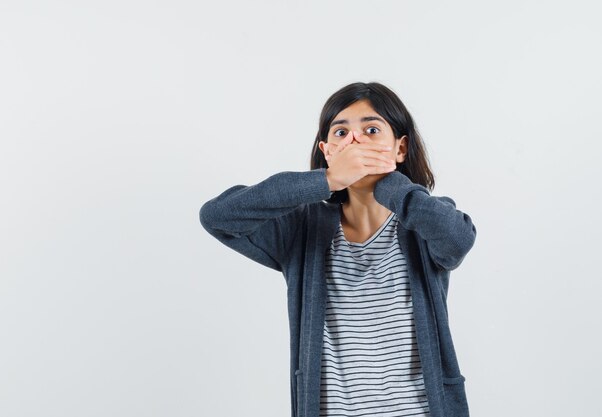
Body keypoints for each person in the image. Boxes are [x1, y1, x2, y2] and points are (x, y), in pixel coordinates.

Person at [199, 81, 477, 417]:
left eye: (371, 130)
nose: (355, 142)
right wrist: (326, 180)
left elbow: (458, 239)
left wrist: (387, 185)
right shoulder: (301, 229)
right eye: (341, 133)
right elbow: (218, 216)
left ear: (400, 148)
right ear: (327, 151)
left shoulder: (422, 219)